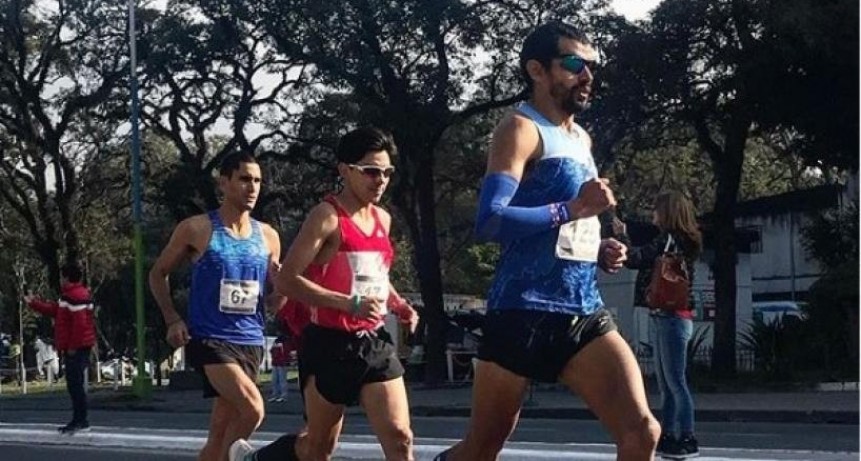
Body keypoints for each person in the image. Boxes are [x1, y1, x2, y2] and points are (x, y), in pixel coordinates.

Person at [434, 21, 660, 461]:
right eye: (574, 64)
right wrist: (573, 209)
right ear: (537, 70)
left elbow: (566, 229)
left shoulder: (581, 138)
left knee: (642, 432)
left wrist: (597, 248)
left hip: (583, 311)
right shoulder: (520, 128)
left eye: (591, 66)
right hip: (522, 312)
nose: (587, 76)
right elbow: (492, 220)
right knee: (480, 451)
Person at [229, 126, 419, 461]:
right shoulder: (326, 217)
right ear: (345, 171)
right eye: (371, 172)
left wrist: (399, 304)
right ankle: (257, 459)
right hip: (328, 344)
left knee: (400, 439)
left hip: (373, 343)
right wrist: (348, 304)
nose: (381, 180)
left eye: (387, 172)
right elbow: (287, 281)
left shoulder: (383, 220)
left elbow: (375, 275)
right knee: (317, 448)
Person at [149, 151, 285, 461]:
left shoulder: (268, 236)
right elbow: (158, 273)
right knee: (253, 408)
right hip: (210, 339)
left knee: (221, 432)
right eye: (244, 179)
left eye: (258, 181)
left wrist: (283, 286)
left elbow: (275, 300)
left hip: (250, 340)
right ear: (224, 183)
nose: (252, 188)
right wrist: (172, 318)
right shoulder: (197, 228)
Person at [614, 191, 703, 459]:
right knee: (669, 382)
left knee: (674, 382)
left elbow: (637, 258)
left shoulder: (668, 239)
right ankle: (670, 435)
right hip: (674, 315)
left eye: (657, 209)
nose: (654, 214)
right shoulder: (686, 241)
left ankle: (686, 437)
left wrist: (621, 237)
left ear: (668, 212)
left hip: (669, 316)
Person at [24, 261, 96, 434]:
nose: (61, 280)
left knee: (75, 385)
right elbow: (55, 310)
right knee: (74, 384)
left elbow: (80, 325)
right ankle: (79, 419)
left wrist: (72, 346)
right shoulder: (72, 295)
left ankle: (81, 420)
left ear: (66, 277)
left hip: (77, 347)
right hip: (77, 346)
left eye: (62, 277)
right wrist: (33, 303)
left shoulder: (75, 296)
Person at [268, 334, 290, 402]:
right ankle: (276, 395)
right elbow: (271, 351)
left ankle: (283, 396)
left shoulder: (284, 343)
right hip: (277, 363)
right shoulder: (278, 343)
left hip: (281, 363)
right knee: (276, 380)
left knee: (281, 380)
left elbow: (283, 353)